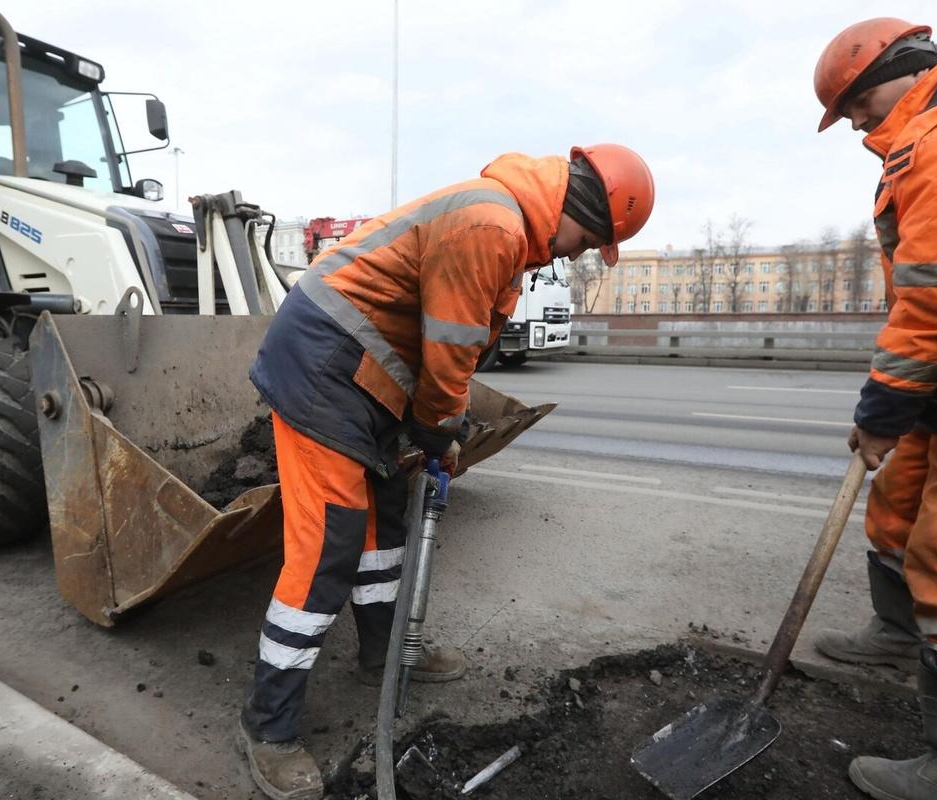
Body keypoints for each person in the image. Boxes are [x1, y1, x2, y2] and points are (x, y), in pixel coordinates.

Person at [237, 144, 655, 799]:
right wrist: (440, 433)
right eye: (589, 241)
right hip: (322, 364)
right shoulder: (493, 226)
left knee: (385, 528)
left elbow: (447, 350)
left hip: (365, 372)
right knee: (328, 547)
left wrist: (438, 429)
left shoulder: (510, 228)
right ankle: (269, 727)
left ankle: (384, 655)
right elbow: (451, 351)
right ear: (580, 211)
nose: (577, 254)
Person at [814, 18, 937, 799]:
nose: (855, 124)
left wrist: (881, 412)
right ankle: (899, 636)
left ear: (882, 81)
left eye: (853, 108)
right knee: (897, 507)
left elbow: (936, 304)